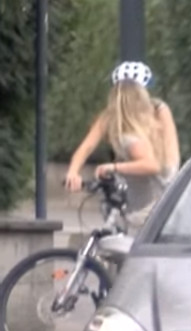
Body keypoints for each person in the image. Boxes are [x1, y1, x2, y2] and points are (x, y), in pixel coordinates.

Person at [64, 61, 180, 227]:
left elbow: (170, 151)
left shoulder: (159, 110)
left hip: (159, 185)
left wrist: (167, 176)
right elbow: (87, 145)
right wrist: (73, 172)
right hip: (137, 184)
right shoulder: (111, 115)